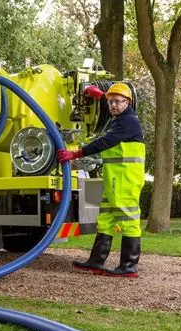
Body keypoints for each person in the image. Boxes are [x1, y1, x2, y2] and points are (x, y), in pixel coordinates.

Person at [57, 83, 145, 278]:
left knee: (128, 218)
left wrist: (75, 154)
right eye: (110, 101)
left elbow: (103, 143)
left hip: (125, 179)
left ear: (128, 102)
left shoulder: (128, 122)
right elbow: (108, 103)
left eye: (117, 102)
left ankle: (129, 266)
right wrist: (97, 93)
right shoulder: (121, 117)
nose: (113, 105)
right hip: (115, 177)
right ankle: (96, 262)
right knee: (105, 218)